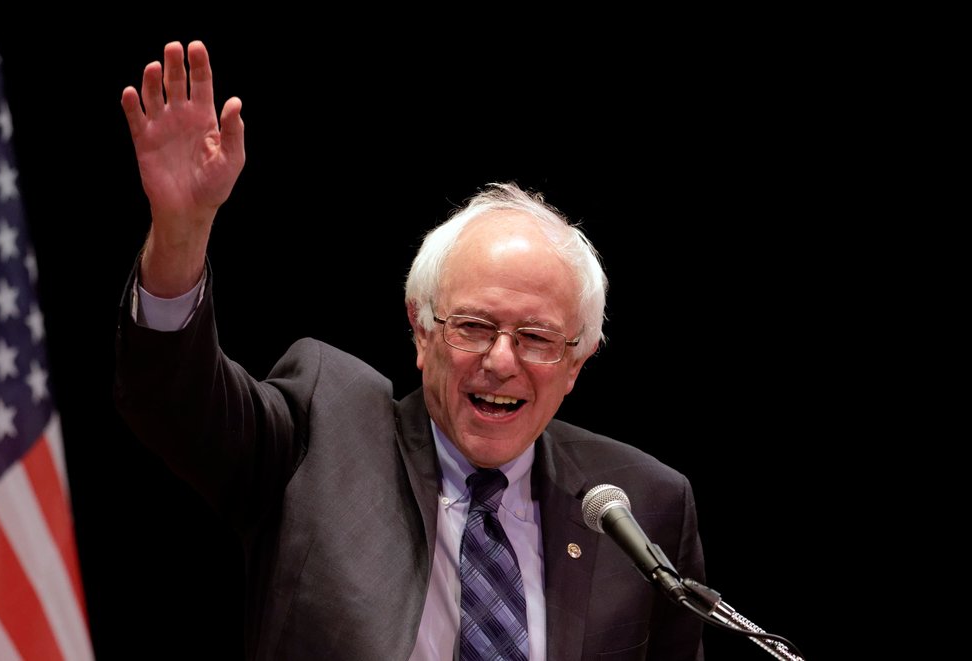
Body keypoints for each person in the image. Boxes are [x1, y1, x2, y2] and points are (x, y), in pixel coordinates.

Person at [115, 40, 706, 661]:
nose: (501, 361)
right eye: (473, 326)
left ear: (577, 362)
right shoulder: (326, 430)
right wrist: (181, 232)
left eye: (535, 339)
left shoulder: (640, 506)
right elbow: (172, 401)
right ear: (421, 331)